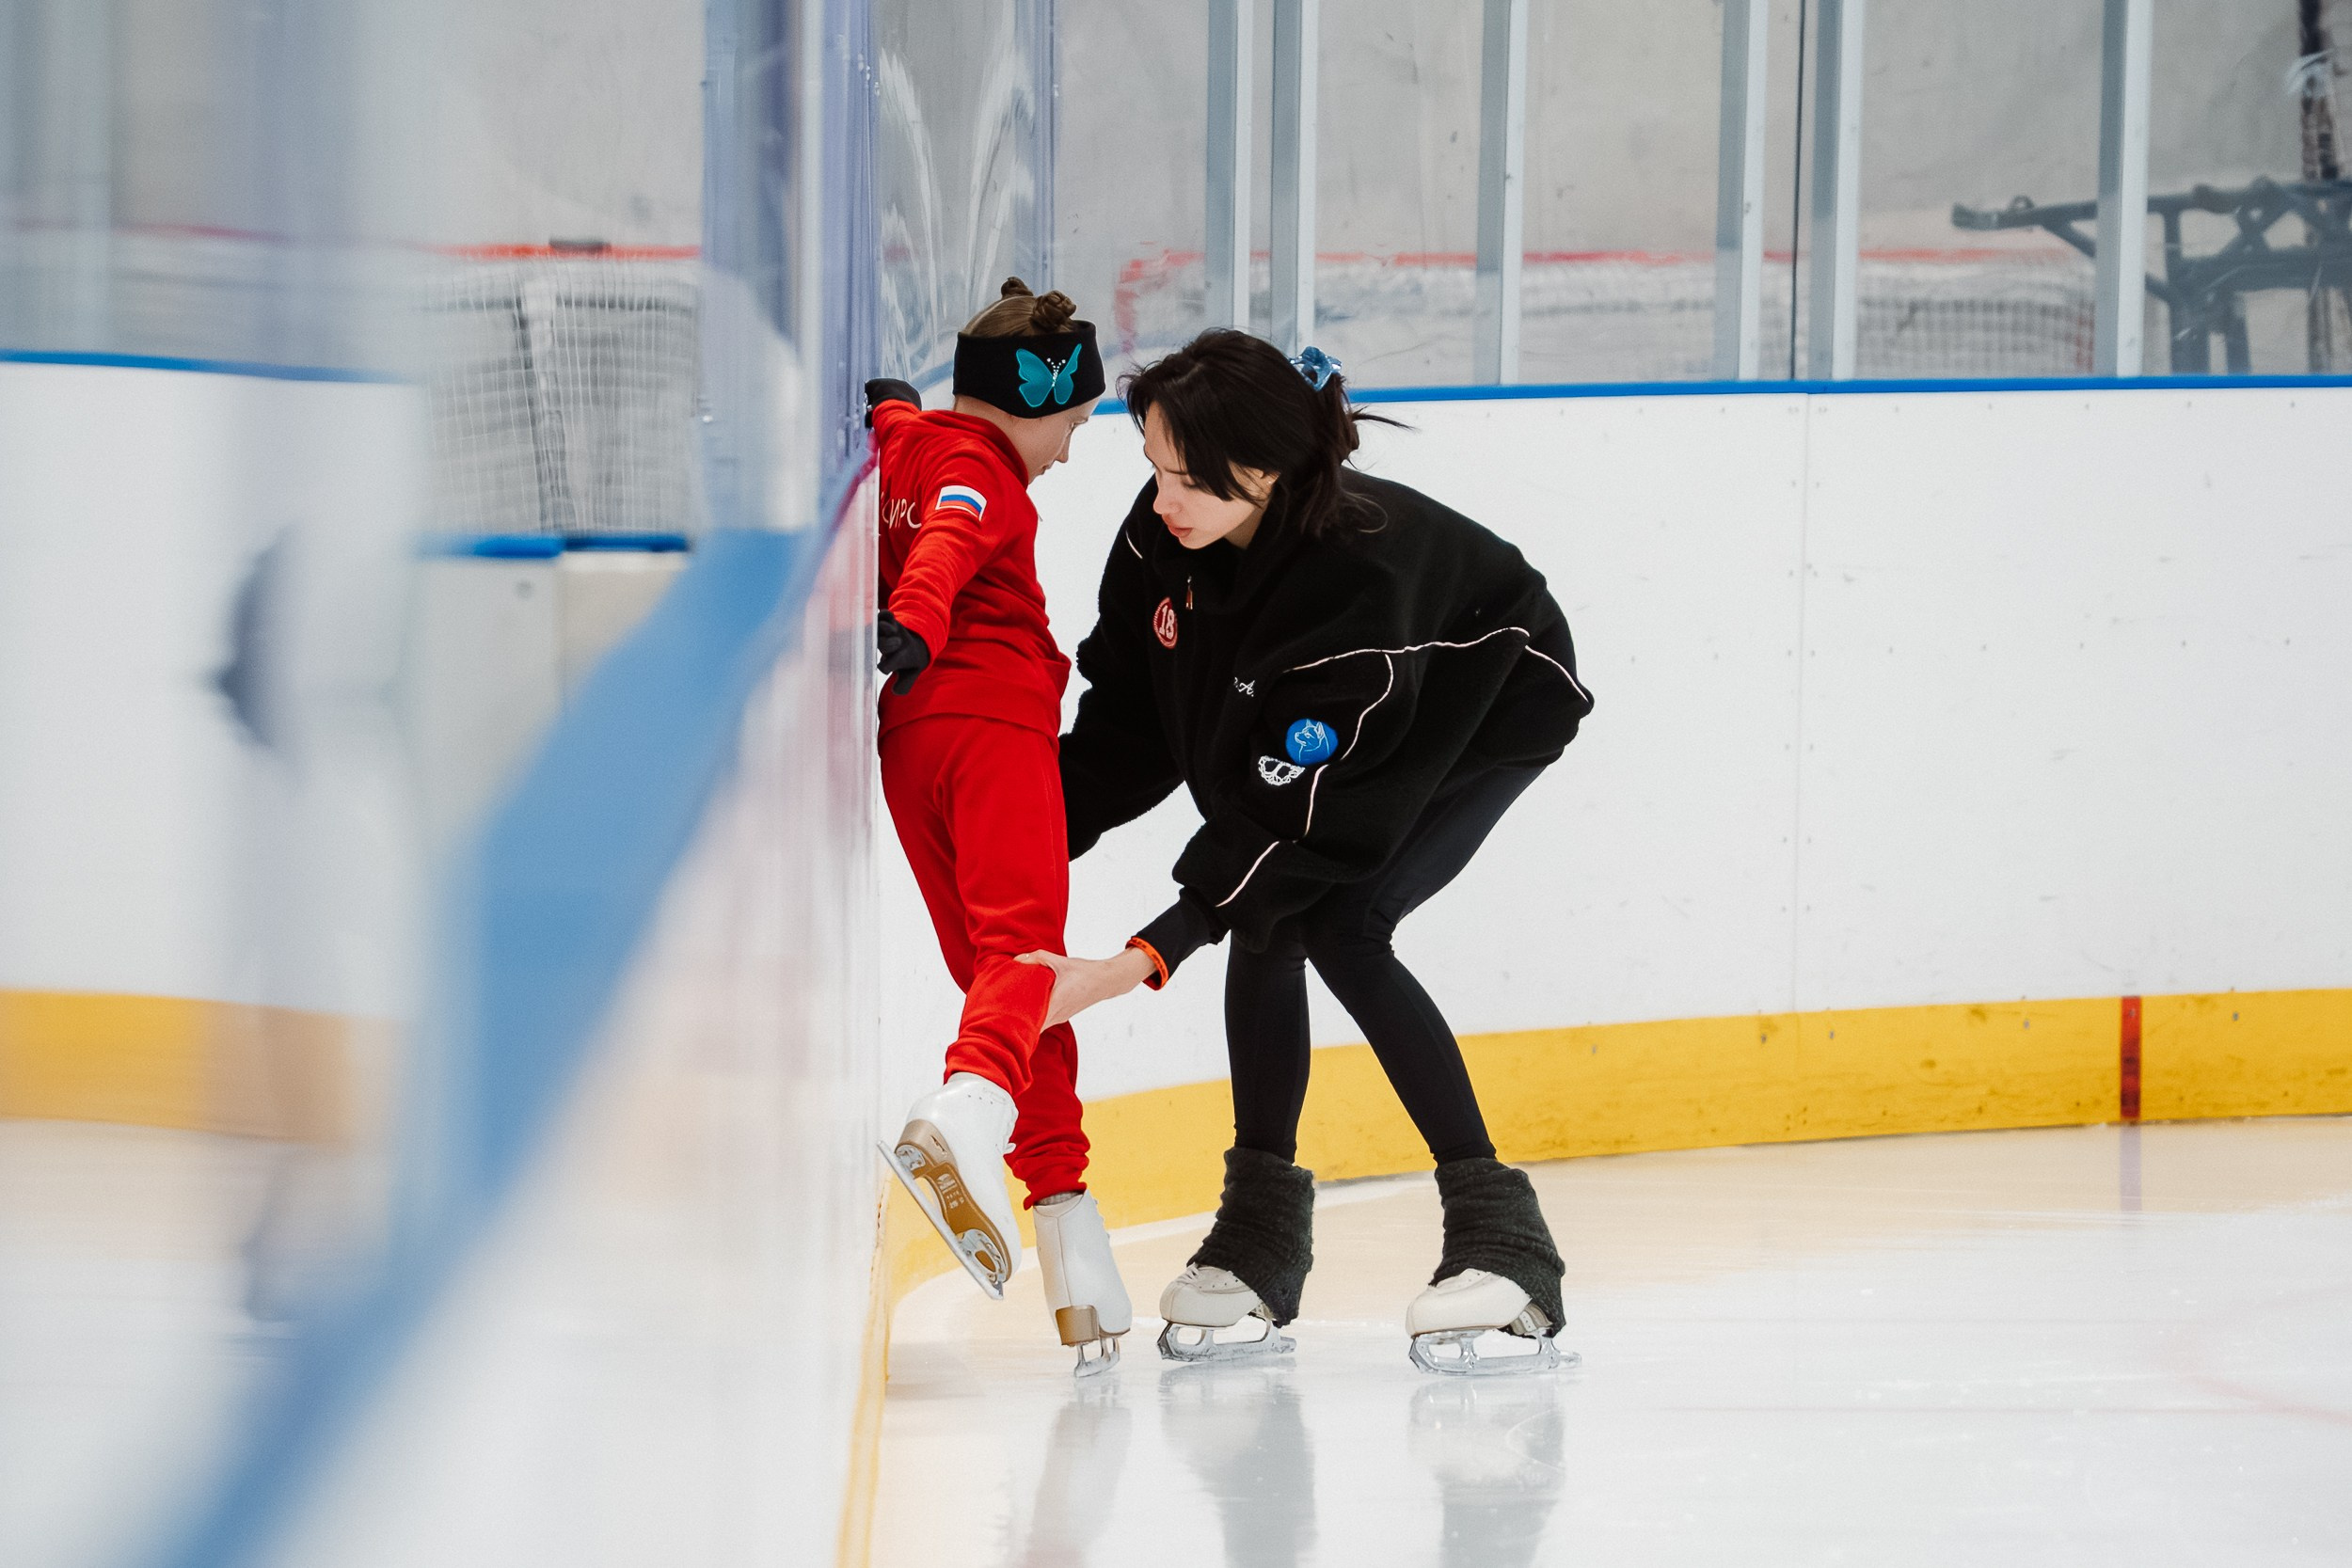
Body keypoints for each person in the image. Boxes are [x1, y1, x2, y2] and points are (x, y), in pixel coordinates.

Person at [1020, 330, 1594, 1374]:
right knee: (1275, 916)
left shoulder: (1354, 603)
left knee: (1337, 921)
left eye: (1191, 481)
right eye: (1153, 468)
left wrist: (1134, 960)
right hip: (1344, 721)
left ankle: (1507, 1248)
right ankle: (1262, 1242)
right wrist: (1019, 837)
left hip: (1485, 691)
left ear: (1272, 473)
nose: (1163, 502)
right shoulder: (1166, 532)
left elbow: (1290, 826)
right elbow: (1132, 720)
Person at [870, 278, 1132, 1373]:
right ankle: (962, 1118)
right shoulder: (982, 474)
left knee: (1013, 981)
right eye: (1069, 427)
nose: (1067, 455)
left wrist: (885, 403)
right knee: (1027, 959)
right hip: (992, 725)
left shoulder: (916, 444)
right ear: (1031, 405)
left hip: (911, 742)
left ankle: (1068, 1232)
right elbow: (953, 540)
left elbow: (908, 455)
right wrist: (920, 619)